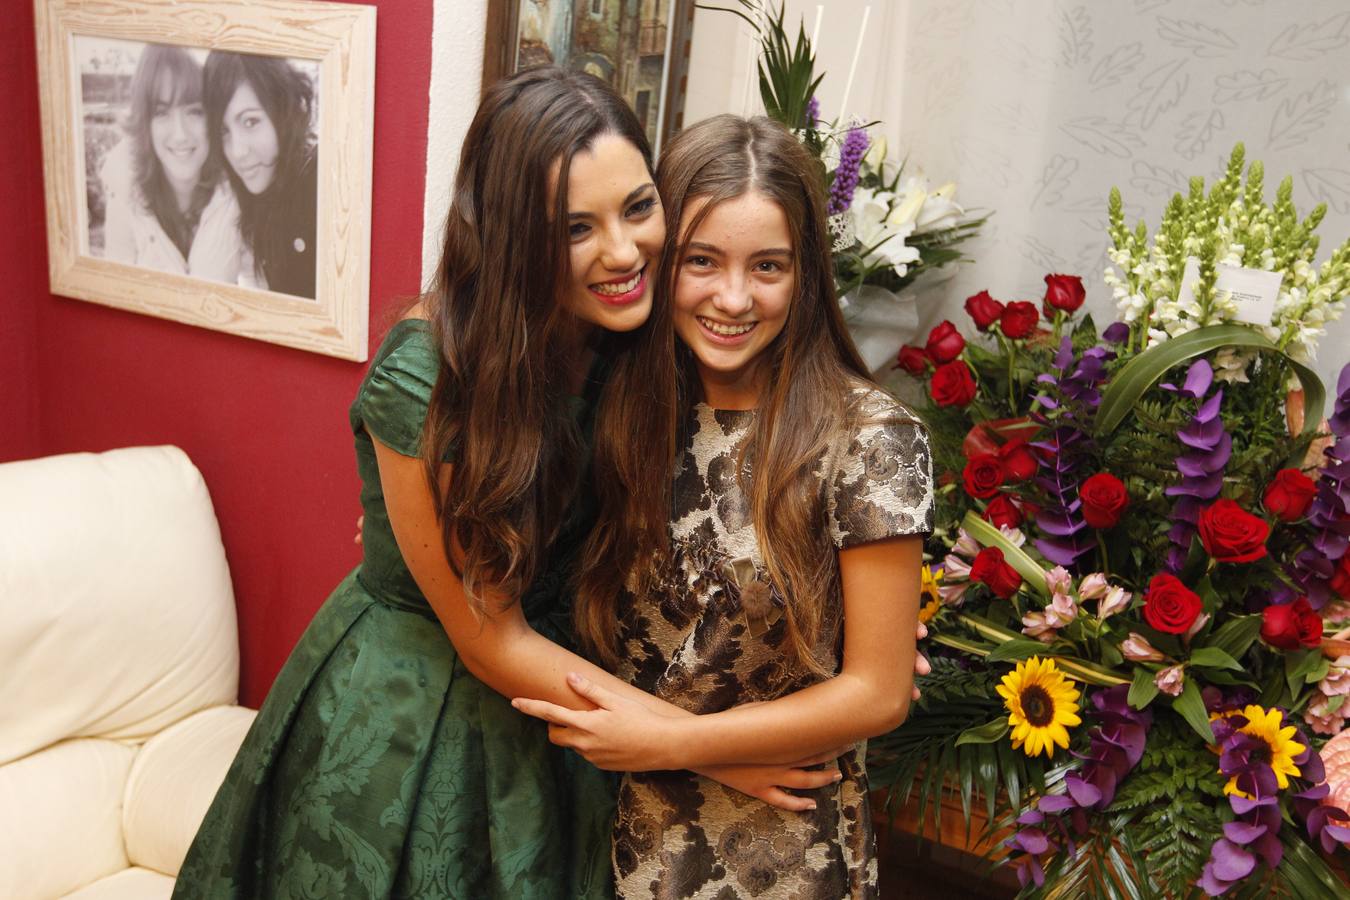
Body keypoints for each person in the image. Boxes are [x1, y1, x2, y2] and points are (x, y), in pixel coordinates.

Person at [173, 70, 841, 900]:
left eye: (638, 208)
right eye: (575, 227)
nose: (624, 251)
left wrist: (843, 606)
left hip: (583, 689)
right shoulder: (425, 375)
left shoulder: (629, 339)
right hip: (427, 706)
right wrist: (710, 747)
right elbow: (488, 637)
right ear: (512, 235)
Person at [514, 114, 934, 898]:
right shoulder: (614, 408)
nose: (733, 298)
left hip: (776, 853)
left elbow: (878, 693)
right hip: (593, 826)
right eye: (701, 261)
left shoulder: (869, 437)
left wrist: (668, 743)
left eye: (767, 266)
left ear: (806, 274)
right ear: (661, 260)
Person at [100, 44, 240, 281]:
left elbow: (257, 284)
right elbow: (114, 288)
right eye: (161, 113)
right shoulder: (125, 189)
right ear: (145, 123)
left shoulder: (236, 189)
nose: (180, 134)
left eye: (194, 111)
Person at [202, 51, 317, 299]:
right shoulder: (254, 197)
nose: (237, 151)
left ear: (283, 111)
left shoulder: (319, 181)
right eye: (223, 131)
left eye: (250, 121)